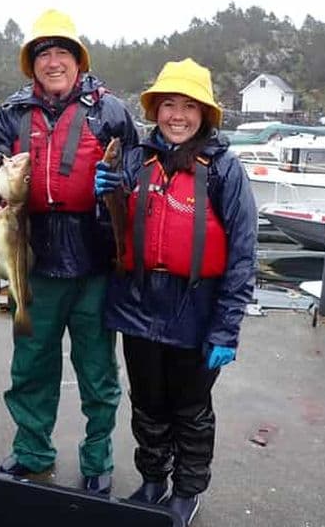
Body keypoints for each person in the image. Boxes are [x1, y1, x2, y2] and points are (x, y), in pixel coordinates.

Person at [95, 58, 257, 525]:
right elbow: (110, 232)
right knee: (147, 403)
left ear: (205, 114)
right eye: (169, 105)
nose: (178, 115)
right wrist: (103, 199)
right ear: (155, 110)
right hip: (137, 303)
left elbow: (243, 256)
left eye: (189, 106)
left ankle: (187, 490)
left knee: (190, 408)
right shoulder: (132, 159)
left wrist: (226, 329)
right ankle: (152, 479)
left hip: (196, 309)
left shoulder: (225, 171)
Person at [0, 9, 139, 495]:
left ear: (78, 60)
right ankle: (33, 450)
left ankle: (97, 458)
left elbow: (137, 176)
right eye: (43, 54)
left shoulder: (110, 110)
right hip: (33, 254)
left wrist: (122, 182)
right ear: (32, 64)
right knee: (31, 363)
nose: (53, 62)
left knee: (97, 368)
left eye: (62, 53)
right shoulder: (11, 113)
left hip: (95, 256)